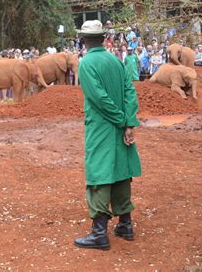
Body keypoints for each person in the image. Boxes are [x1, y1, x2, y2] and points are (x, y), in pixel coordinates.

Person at [74, 20, 141, 250]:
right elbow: (130, 91)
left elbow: (99, 99)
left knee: (99, 173)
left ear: (83, 39)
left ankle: (99, 232)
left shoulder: (86, 63)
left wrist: (121, 120)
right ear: (104, 38)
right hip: (120, 127)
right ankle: (125, 224)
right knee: (121, 171)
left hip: (101, 127)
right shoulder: (116, 61)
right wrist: (129, 122)